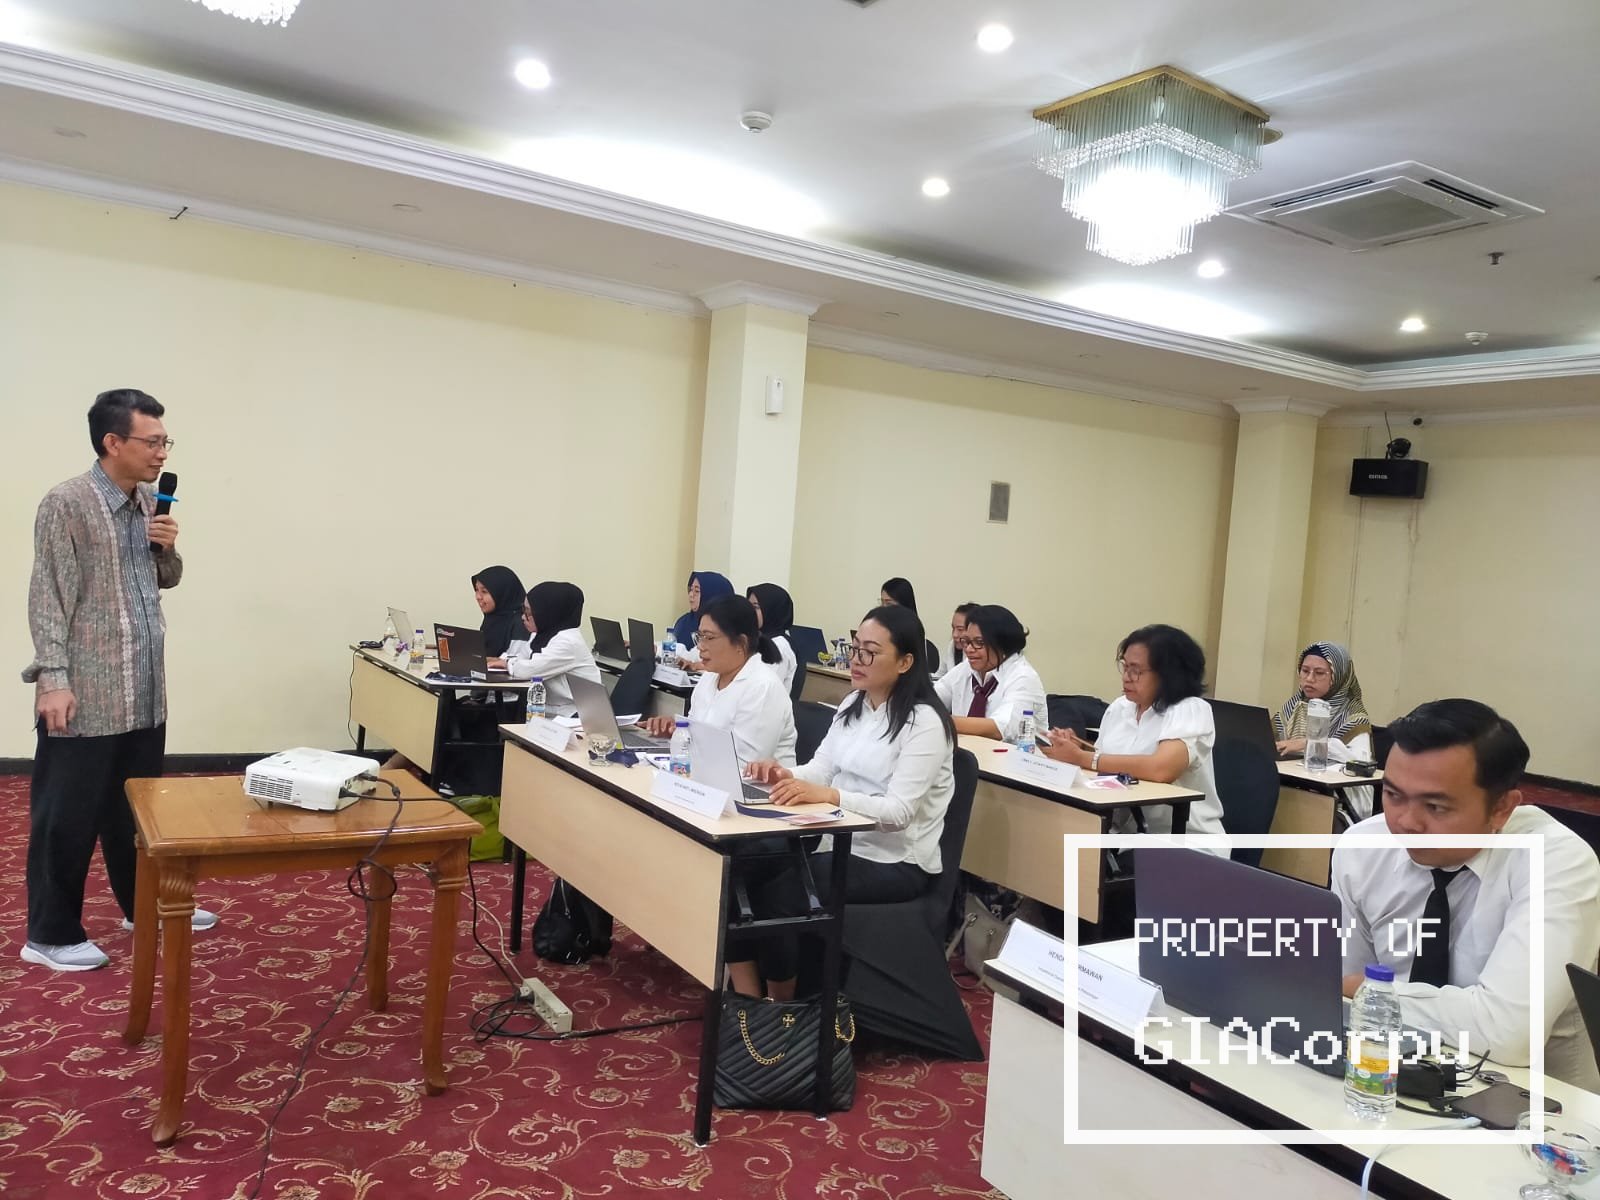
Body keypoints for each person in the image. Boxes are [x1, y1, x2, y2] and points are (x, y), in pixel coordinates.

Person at [22, 389, 216, 972]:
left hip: (144, 687)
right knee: (67, 815)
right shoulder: (68, 503)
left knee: (136, 811)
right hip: (86, 690)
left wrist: (168, 548)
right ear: (113, 442)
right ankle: (50, 935)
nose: (162, 452)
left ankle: (143, 904)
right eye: (151, 442)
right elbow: (49, 596)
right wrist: (54, 678)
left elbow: (165, 579)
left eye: (165, 441)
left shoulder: (149, 501)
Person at [1331, 699, 1600, 1091]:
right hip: (1394, 1072)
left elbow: (1507, 1033)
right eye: (1393, 795)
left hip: (1533, 1098)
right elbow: (1342, 993)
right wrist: (1362, 992)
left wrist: (1369, 992)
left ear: (1502, 809)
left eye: (1435, 806)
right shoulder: (1363, 848)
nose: (1406, 822)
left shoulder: (1557, 860)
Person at [743, 605, 956, 999]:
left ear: (906, 662)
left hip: (895, 860)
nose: (856, 660)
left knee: (781, 892)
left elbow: (899, 813)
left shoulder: (924, 722)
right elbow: (822, 769)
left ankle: (781, 1008)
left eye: (870, 652)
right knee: (744, 864)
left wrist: (830, 796)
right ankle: (746, 994)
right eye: (856, 648)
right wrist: (783, 774)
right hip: (837, 839)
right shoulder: (853, 704)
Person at [1041, 623, 1225, 840]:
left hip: (1181, 840)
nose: (1126, 677)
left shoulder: (1189, 709)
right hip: (1124, 835)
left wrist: (1082, 757)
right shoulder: (1120, 707)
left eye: (1136, 670)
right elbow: (1102, 767)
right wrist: (1074, 750)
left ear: (1169, 674)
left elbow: (1161, 769)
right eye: (1125, 667)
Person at [644, 594, 795, 767]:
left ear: (741, 643)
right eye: (699, 636)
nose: (700, 646)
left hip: (750, 782)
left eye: (709, 638)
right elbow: (695, 736)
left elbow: (744, 765)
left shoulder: (762, 687)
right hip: (705, 774)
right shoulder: (710, 677)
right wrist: (676, 731)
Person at [1274, 640, 1376, 818]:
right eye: (1305, 671)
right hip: (1296, 790)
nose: (1309, 679)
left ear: (1338, 676)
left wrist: (1309, 743)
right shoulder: (1295, 706)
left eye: (1319, 673)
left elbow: (1360, 763)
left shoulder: (1354, 717)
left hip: (1340, 804)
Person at [934, 604, 1048, 743]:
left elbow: (1000, 728)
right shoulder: (966, 668)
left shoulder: (1023, 677)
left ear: (1003, 643)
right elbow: (932, 696)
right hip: (969, 753)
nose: (969, 649)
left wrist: (936, 721)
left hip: (1016, 755)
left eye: (979, 642)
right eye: (967, 641)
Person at [492, 582, 602, 717]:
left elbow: (529, 671)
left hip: (578, 714)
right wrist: (508, 663)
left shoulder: (568, 642)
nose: (523, 617)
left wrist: (507, 663)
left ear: (548, 612)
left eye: (528, 612)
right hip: (549, 710)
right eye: (523, 609)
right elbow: (522, 659)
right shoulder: (540, 635)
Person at [879, 576, 940, 672]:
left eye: (889, 604)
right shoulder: (879, 632)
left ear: (904, 605)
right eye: (882, 603)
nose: (883, 608)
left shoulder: (916, 641)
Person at [746, 583, 797, 695]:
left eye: (756, 607)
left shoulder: (779, 646)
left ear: (771, 610)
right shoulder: (756, 639)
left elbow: (763, 690)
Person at [471, 565, 527, 659]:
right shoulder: (492, 619)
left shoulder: (522, 623)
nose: (478, 597)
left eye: (484, 591)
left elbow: (517, 661)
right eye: (476, 590)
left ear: (502, 593)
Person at [670, 571, 734, 649]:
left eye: (697, 591)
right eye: (691, 589)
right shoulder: (683, 622)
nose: (691, 595)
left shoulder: (726, 627)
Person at [932, 602, 980, 682]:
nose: (954, 635)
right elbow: (940, 676)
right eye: (953, 628)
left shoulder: (981, 655)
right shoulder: (951, 647)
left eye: (960, 629)